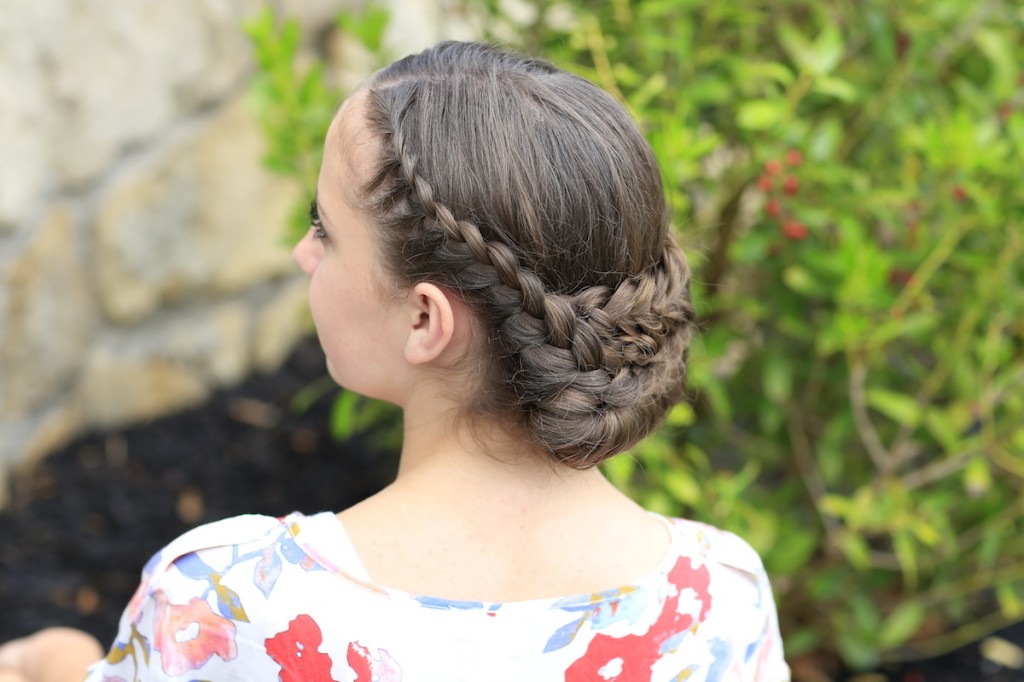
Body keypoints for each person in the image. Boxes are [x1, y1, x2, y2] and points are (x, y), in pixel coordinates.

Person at [0, 41, 789, 681]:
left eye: (325, 227)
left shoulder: (231, 602)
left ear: (424, 318)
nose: (303, 253)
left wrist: (45, 661)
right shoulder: (721, 600)